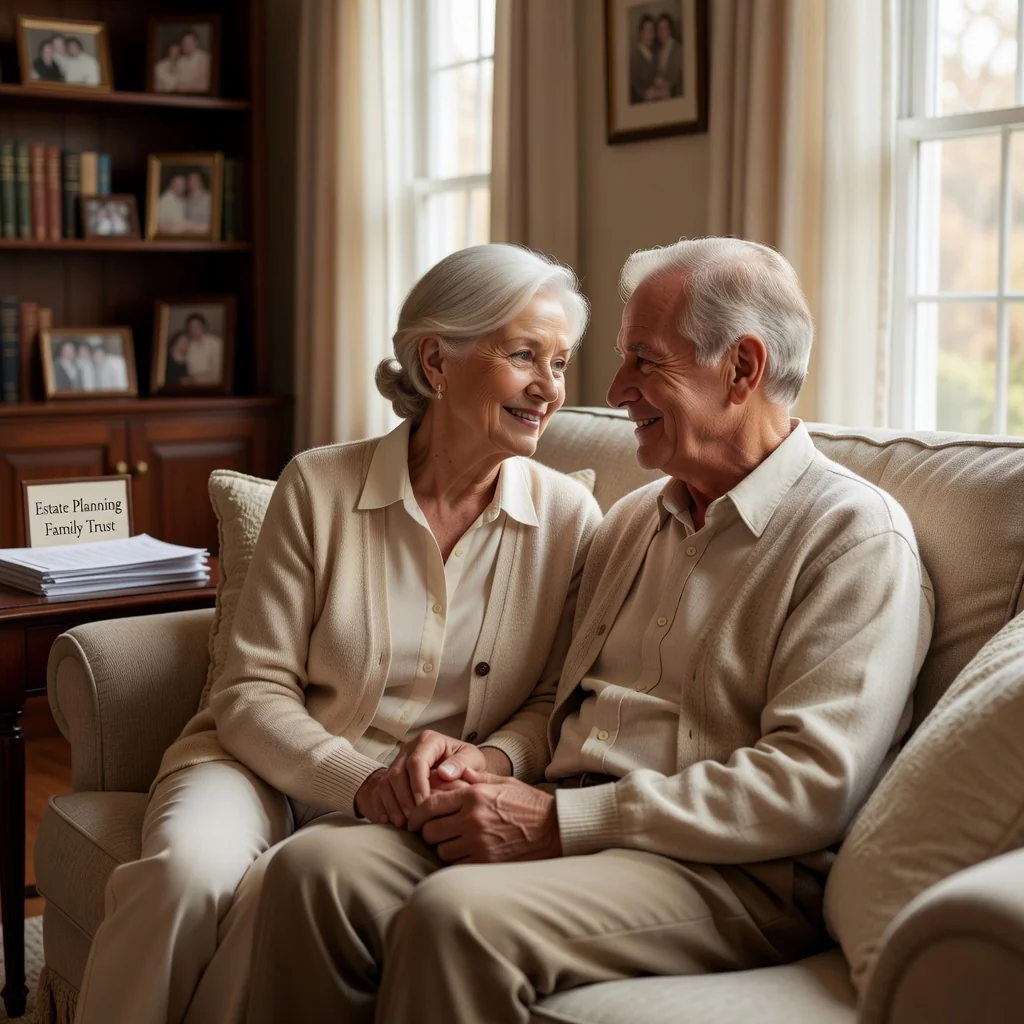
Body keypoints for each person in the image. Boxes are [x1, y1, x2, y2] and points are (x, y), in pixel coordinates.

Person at [243, 236, 936, 1024]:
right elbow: (558, 707)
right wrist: (487, 763)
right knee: (316, 872)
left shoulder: (854, 537)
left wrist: (558, 823)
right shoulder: (634, 521)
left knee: (458, 921)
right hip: (562, 817)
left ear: (742, 368)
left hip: (728, 872)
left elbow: (811, 786)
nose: (612, 390)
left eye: (645, 361)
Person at [72, 243, 602, 1024]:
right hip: (258, 763)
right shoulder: (319, 485)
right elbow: (251, 690)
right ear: (437, 361)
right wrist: (356, 780)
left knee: (279, 899)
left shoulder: (568, 519)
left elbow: (556, 697)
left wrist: (487, 759)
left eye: (559, 363)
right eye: (525, 355)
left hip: (427, 801)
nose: (547, 388)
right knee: (186, 875)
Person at [182, 313, 223, 384]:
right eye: (191, 326)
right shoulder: (188, 346)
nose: (195, 329)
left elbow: (219, 371)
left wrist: (200, 377)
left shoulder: (216, 343)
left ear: (204, 326)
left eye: (198, 325)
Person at [652, 13, 682, 99]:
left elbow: (675, 77)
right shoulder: (657, 50)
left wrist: (662, 83)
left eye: (664, 29)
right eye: (659, 29)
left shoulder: (677, 49)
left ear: (669, 30)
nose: (661, 32)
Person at [629, 14, 658, 104]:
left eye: (652, 31)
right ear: (641, 33)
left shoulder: (655, 55)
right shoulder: (633, 58)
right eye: (647, 31)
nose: (650, 35)